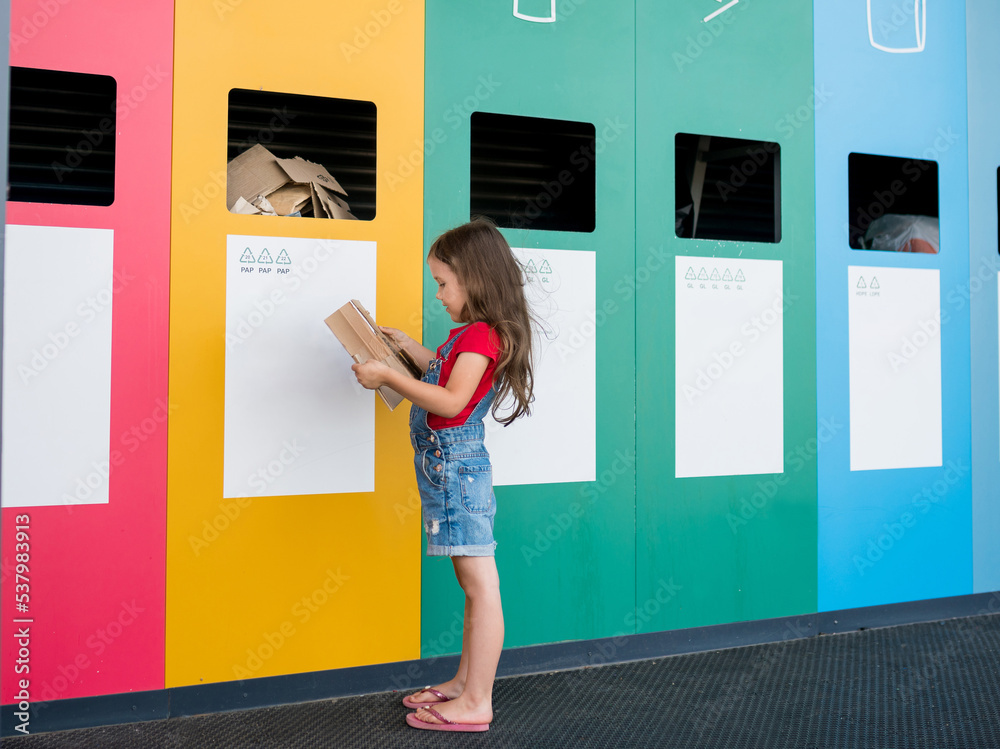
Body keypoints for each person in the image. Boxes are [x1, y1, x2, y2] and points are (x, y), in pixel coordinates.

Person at [351, 218, 534, 733]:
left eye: (442, 283)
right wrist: (409, 347)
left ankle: (477, 701)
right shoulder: (469, 335)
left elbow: (452, 400)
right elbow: (449, 374)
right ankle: (464, 683)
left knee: (480, 585)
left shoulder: (479, 335)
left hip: (456, 469)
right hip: (448, 468)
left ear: (473, 279)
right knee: (471, 583)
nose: (438, 294)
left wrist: (388, 375)